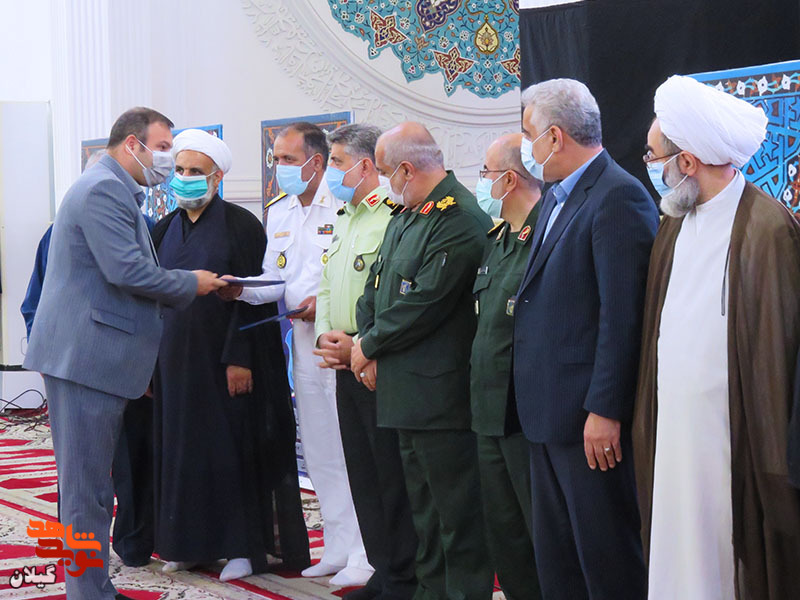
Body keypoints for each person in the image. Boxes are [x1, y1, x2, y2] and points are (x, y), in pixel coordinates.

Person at [22, 107, 226, 600]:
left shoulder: (111, 187)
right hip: (86, 359)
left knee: (89, 489)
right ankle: (87, 593)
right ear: (133, 144)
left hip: (91, 357)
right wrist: (192, 283)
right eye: (163, 148)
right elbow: (127, 271)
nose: (167, 159)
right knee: (85, 492)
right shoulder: (103, 190)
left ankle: (93, 587)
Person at [633, 74, 800, 599]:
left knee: (725, 556)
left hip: (731, 436)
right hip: (673, 431)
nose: (651, 165)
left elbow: (777, 356)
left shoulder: (768, 228)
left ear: (687, 161)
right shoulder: (674, 223)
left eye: (654, 155)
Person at [514, 79, 657, 600]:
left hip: (587, 421)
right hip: (545, 412)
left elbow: (623, 316)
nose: (524, 145)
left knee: (605, 558)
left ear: (554, 137)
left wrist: (606, 409)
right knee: (559, 561)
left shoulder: (617, 195)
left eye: (527, 133)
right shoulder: (556, 195)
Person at [219, 122, 370, 587]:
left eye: (287, 159)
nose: (279, 168)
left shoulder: (343, 204)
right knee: (320, 450)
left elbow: (356, 277)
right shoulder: (280, 211)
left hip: (343, 341)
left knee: (352, 449)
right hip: (303, 347)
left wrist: (324, 305)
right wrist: (240, 289)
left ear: (316, 162)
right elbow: (275, 280)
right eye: (276, 160)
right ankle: (338, 546)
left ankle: (366, 551)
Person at [147, 129, 302, 581]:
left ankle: (242, 548)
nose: (184, 177)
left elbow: (253, 295)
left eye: (195, 171)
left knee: (229, 452)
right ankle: (187, 545)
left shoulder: (241, 226)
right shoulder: (164, 228)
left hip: (224, 362)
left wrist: (240, 357)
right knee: (181, 452)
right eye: (179, 169)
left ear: (217, 177)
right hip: (174, 362)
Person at [351, 122, 494, 600]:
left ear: (408, 170)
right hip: (405, 393)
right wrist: (366, 337)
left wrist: (370, 345)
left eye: (387, 171)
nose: (385, 181)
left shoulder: (459, 218)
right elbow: (375, 287)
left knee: (458, 517)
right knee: (425, 515)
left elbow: (426, 301)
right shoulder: (406, 215)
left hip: (440, 397)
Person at [313, 124, 417, 600]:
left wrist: (358, 343)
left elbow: (394, 296)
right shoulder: (345, 216)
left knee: (390, 475)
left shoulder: (392, 215)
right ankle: (383, 569)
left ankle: (404, 575)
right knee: (363, 474)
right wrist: (325, 337)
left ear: (366, 165)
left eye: (336, 162)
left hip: (377, 362)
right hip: (343, 362)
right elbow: (328, 283)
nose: (330, 171)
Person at [470, 132, 543, 600]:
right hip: (487, 409)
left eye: (486, 172)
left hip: (524, 414)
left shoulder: (547, 233)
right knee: (504, 532)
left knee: (540, 532)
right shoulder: (498, 238)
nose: (482, 181)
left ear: (510, 179)